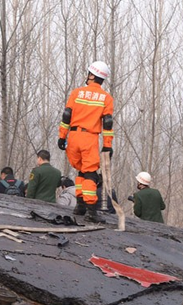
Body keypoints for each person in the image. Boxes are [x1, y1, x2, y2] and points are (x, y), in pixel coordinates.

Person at [58, 61, 114, 223]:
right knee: (90, 173)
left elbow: (66, 115)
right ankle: (91, 210)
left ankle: (80, 205)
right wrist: (108, 145)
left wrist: (62, 136)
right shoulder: (106, 98)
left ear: (91, 75)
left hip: (73, 137)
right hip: (90, 138)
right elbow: (108, 123)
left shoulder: (77, 93)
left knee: (81, 171)